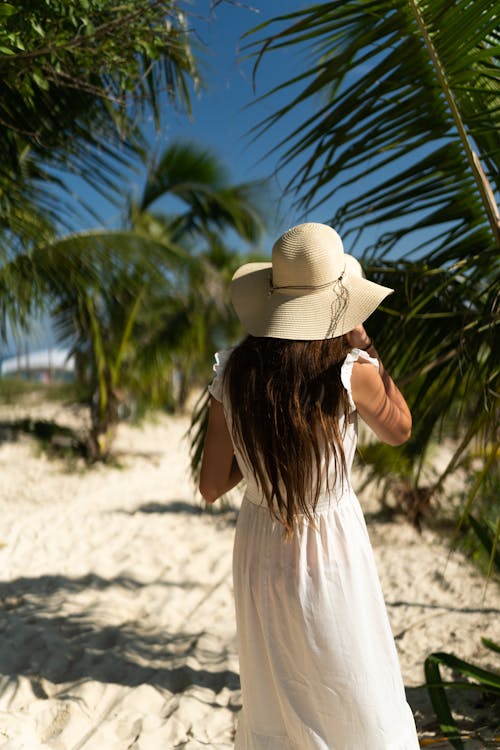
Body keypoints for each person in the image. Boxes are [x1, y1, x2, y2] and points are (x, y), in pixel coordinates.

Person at [199, 222, 419, 749]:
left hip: (260, 551)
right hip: (332, 549)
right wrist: (367, 347)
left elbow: (210, 486)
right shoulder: (349, 371)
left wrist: (258, 467)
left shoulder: (234, 373)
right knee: (351, 691)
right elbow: (401, 428)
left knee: (278, 692)